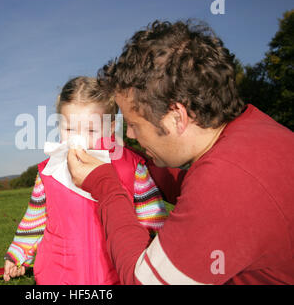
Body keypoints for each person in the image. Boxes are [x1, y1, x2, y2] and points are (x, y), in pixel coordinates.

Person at [67, 20, 294, 285]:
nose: (129, 135)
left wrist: (106, 184)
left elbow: (141, 282)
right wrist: (135, 166)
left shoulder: (226, 181)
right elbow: (191, 184)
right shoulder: (254, 133)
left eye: (134, 124)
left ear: (177, 117)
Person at [3, 76, 168, 284]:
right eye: (70, 129)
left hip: (115, 275)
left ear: (111, 127)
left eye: (91, 130)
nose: (78, 139)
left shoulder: (132, 166)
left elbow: (153, 220)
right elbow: (34, 220)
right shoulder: (49, 171)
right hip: (58, 275)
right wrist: (18, 254)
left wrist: (158, 260)